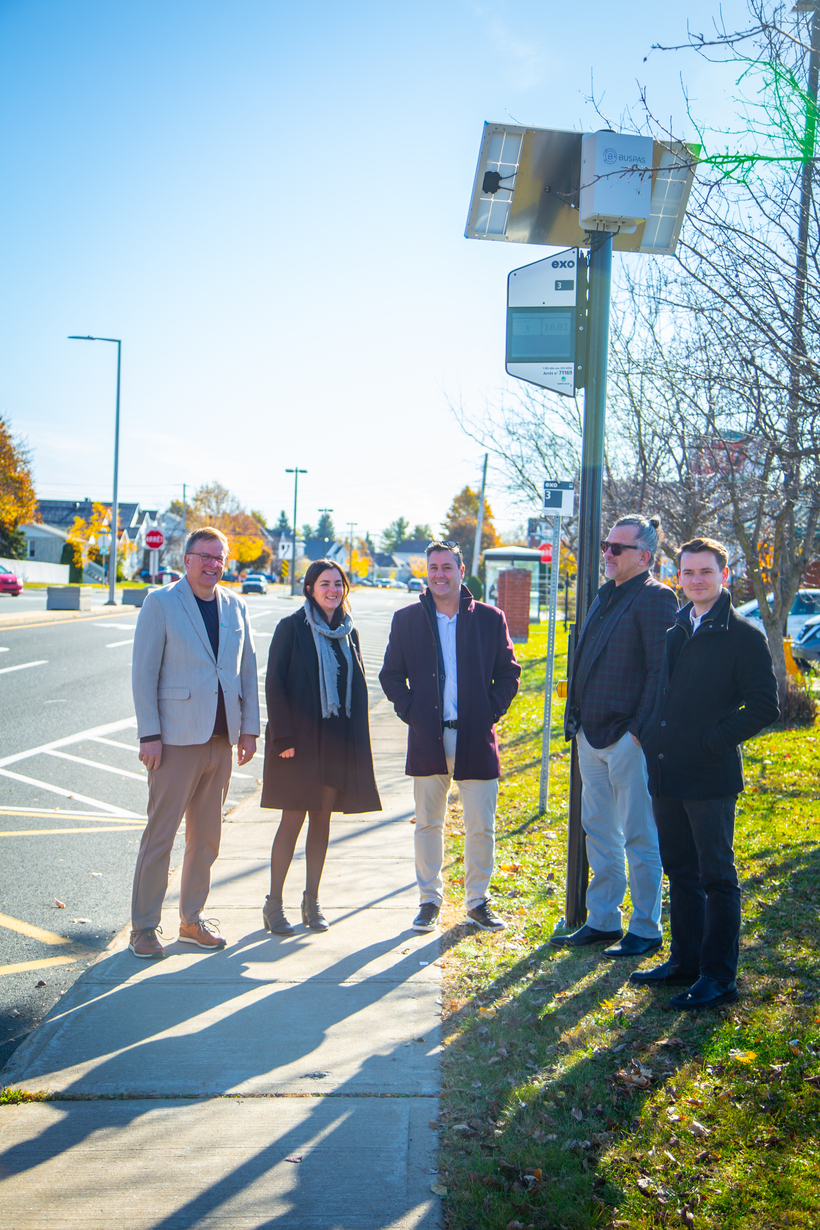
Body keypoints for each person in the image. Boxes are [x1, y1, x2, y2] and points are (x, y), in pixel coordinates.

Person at [632, 537, 779, 1009]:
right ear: (679, 576)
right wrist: (649, 734)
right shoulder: (677, 629)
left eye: (705, 572)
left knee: (716, 875)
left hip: (710, 774)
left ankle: (719, 977)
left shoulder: (744, 634)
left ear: (725, 574)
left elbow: (763, 707)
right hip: (665, 769)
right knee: (680, 870)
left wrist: (710, 741)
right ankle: (685, 963)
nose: (696, 580)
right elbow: (660, 692)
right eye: (688, 572)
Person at [130, 527, 259, 958]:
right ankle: (144, 928)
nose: (212, 564)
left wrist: (249, 729)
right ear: (186, 559)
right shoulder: (161, 603)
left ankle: (190, 921)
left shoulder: (236, 606)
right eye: (204, 556)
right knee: (160, 837)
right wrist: (149, 734)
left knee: (206, 839)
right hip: (175, 740)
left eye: (219, 557)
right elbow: (144, 672)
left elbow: (247, 673)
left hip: (221, 741)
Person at [553, 514, 679, 957]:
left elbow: (661, 670)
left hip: (628, 740)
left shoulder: (656, 597)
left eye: (617, 548)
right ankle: (603, 921)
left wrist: (638, 733)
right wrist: (579, 723)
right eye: (606, 545)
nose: (607, 552)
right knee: (599, 833)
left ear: (644, 556)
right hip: (590, 735)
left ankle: (645, 928)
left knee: (640, 836)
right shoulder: (603, 595)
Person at [379, 540, 521, 933]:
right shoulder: (407, 619)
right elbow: (390, 675)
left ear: (461, 571)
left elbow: (509, 673)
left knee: (481, 824)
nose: (440, 574)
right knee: (427, 823)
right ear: (428, 572)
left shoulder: (490, 619)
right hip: (428, 738)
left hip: (476, 738)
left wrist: (489, 710)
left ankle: (477, 900)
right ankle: (429, 900)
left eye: (447, 567)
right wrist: (412, 712)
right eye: (434, 567)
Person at [260, 560, 381, 933]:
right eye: (324, 583)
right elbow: (274, 684)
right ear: (310, 588)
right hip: (296, 744)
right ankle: (274, 903)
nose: (332, 590)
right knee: (292, 820)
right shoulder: (291, 628)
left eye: (338, 584)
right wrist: (283, 738)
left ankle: (312, 902)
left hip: (335, 744)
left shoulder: (350, 633)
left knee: (322, 821)